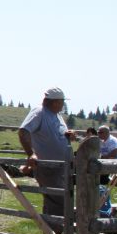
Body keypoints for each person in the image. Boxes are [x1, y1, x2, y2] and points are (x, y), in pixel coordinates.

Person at [18, 88, 74, 217]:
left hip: (59, 167)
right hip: (48, 166)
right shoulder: (39, 112)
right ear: (54, 102)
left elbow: (55, 133)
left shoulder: (56, 115)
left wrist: (67, 134)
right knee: (59, 202)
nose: (63, 105)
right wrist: (31, 153)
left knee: (55, 202)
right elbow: (23, 131)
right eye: (61, 102)